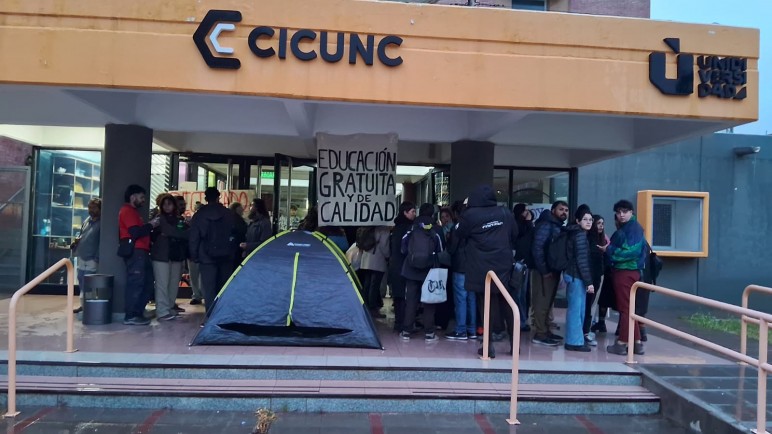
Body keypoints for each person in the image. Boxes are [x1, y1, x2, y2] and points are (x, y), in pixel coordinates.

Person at [456, 186, 518, 357]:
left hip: (481, 267)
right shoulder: (505, 213)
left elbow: (459, 233)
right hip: (504, 266)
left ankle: (488, 346)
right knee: (508, 306)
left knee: (486, 307)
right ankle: (515, 345)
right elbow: (515, 234)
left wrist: (465, 209)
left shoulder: (470, 215)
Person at [603, 200, 646, 356]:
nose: (621, 215)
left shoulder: (633, 228)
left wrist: (609, 250)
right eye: (618, 212)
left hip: (626, 272)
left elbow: (631, 251)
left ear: (631, 212)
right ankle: (636, 343)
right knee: (629, 308)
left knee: (626, 308)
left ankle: (622, 343)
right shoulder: (631, 227)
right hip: (629, 272)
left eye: (625, 211)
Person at [399, 203, 445, 343]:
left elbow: (403, 247)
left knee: (411, 300)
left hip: (411, 270)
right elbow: (440, 249)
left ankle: (406, 331)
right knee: (429, 302)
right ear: (433, 214)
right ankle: (429, 333)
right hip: (430, 270)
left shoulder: (412, 227)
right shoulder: (436, 229)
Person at [189, 187, 236, 315]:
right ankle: (222, 314)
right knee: (224, 286)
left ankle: (210, 315)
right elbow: (236, 233)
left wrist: (194, 255)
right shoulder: (228, 214)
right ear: (218, 197)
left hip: (206, 256)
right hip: (226, 255)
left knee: (208, 288)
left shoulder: (199, 215)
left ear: (205, 198)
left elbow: (194, 237)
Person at [119, 185, 159, 326]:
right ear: (133, 197)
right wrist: (151, 225)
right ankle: (131, 315)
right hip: (137, 252)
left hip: (141, 252)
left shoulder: (133, 212)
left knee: (146, 282)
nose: (143, 200)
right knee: (137, 283)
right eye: (141, 197)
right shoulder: (128, 211)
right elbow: (135, 232)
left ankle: (137, 313)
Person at [530, 200, 569, 346]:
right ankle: (540, 333)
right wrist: (544, 270)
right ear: (553, 210)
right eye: (561, 209)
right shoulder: (546, 225)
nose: (564, 212)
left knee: (548, 302)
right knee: (541, 302)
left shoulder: (556, 225)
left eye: (566, 210)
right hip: (543, 272)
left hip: (552, 270)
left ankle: (545, 330)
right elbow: (537, 248)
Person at [150, 194, 188, 321]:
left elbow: (184, 234)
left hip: (175, 255)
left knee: (173, 284)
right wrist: (178, 233)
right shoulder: (159, 218)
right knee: (162, 283)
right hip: (161, 256)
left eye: (169, 204)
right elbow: (177, 232)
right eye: (164, 204)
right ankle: (162, 311)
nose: (167, 207)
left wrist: (174, 234)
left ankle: (169, 308)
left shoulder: (178, 220)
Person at [563, 207, 595, 352]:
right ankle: (574, 342)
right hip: (576, 276)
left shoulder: (575, 233)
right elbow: (582, 261)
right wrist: (589, 282)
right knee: (576, 310)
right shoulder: (580, 236)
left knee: (577, 309)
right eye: (585, 219)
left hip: (573, 275)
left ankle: (576, 340)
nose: (588, 222)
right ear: (578, 221)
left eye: (590, 220)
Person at [446, 200, 476, 341]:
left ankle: (461, 330)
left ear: (456, 213)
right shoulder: (475, 225)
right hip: (473, 265)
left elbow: (452, 249)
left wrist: (448, 241)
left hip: (460, 266)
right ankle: (472, 329)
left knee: (461, 299)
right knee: (471, 298)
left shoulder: (457, 227)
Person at [388, 201, 415, 333]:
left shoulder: (396, 228)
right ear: (405, 213)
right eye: (412, 211)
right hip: (404, 265)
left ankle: (398, 323)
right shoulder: (408, 228)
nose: (414, 214)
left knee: (398, 296)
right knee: (405, 296)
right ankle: (405, 324)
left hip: (395, 265)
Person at [72, 198, 101, 314]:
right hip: (82, 256)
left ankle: (89, 307)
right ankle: (83, 305)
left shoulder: (102, 223)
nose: (91, 210)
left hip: (92, 258)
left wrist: (96, 257)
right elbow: (81, 236)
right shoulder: (86, 221)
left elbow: (102, 242)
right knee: (81, 280)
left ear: (100, 209)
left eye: (94, 208)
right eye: (89, 207)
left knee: (90, 283)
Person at [586, 214, 610, 340]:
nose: (601, 226)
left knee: (593, 303)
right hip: (591, 275)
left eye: (602, 223)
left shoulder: (603, 239)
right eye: (598, 223)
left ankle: (588, 327)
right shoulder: (590, 239)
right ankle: (585, 329)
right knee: (589, 303)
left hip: (599, 274)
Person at [359, 226, 391, 318]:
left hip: (366, 259)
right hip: (377, 259)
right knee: (374, 285)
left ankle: (365, 307)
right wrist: (388, 256)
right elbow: (384, 246)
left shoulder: (366, 227)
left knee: (367, 284)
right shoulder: (383, 230)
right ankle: (372, 309)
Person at [512, 203, 533, 332]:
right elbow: (524, 240)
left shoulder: (524, 225)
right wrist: (529, 222)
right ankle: (521, 321)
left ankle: (522, 319)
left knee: (522, 294)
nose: (527, 213)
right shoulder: (518, 226)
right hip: (519, 262)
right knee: (519, 293)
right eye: (525, 211)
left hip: (523, 262)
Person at [229, 202, 248, 269]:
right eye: (241, 207)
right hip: (238, 247)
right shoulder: (238, 220)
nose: (243, 209)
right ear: (237, 209)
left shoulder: (230, 218)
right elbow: (242, 232)